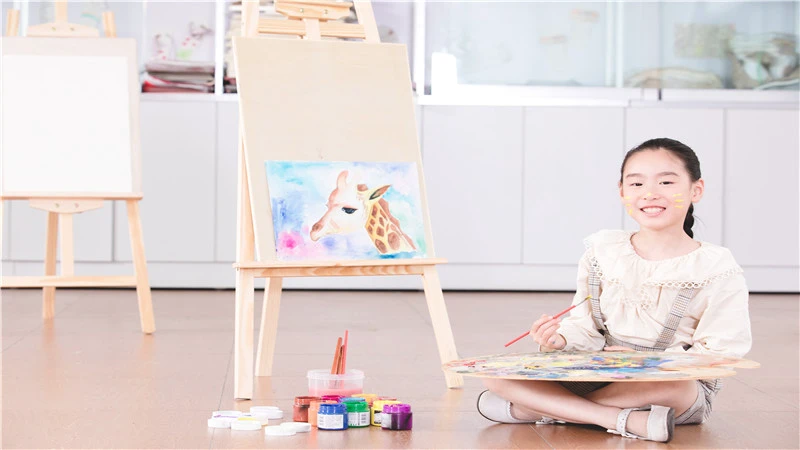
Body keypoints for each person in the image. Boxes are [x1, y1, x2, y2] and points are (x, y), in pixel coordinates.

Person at [477, 138, 752, 443]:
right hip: (602, 374)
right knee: (495, 376)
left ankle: (539, 409)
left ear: (696, 190)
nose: (650, 193)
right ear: (622, 192)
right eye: (636, 183)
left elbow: (720, 353)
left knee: (677, 387)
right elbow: (586, 326)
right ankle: (621, 420)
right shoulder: (603, 251)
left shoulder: (716, 266)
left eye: (666, 182)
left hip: (666, 383)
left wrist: (649, 364)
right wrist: (559, 340)